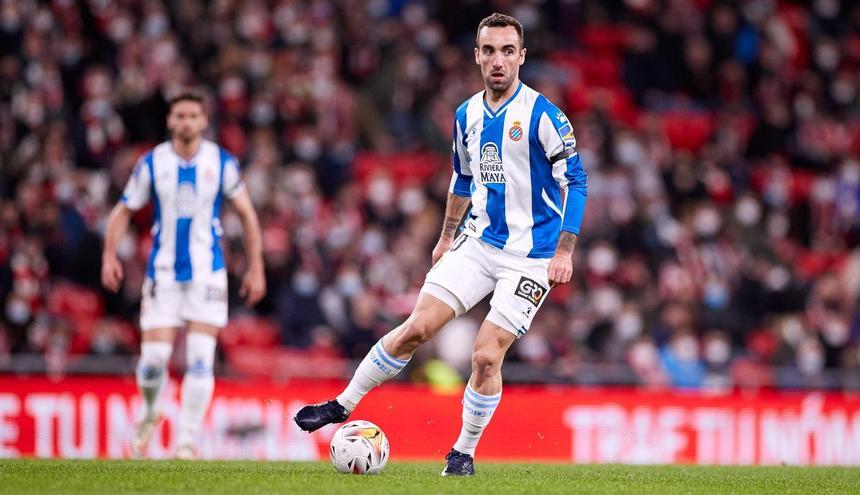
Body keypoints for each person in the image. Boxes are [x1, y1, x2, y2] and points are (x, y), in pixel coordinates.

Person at [294, 13, 587, 476]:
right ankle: (344, 404)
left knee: (486, 354)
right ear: (476, 55)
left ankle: (462, 453)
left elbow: (576, 181)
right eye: (489, 50)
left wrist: (565, 251)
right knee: (416, 328)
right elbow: (463, 177)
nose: (498, 60)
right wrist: (447, 235)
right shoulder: (466, 113)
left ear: (522, 57)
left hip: (531, 257)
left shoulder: (544, 116)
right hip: (477, 242)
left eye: (508, 51)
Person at [101, 91, 266, 459]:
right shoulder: (151, 163)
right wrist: (109, 255)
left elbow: (248, 216)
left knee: (200, 356)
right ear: (170, 121)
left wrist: (256, 267)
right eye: (181, 115)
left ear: (204, 121)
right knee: (154, 359)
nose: (187, 121)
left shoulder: (221, 162)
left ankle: (186, 442)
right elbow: (122, 211)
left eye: (194, 115)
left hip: (208, 273)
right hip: (163, 273)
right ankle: (149, 411)